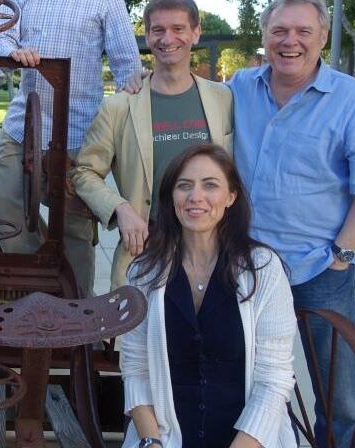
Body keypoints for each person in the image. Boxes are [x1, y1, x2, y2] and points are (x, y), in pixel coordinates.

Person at [228, 0, 355, 447]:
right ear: (264, 35)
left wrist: (341, 255)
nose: (291, 41)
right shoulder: (239, 89)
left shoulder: (349, 99)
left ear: (322, 36)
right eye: (280, 30)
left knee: (336, 399)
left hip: (320, 269)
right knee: (240, 381)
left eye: (303, 31)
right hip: (244, 266)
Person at [0, 0, 142, 297]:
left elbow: (127, 63)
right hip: (23, 128)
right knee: (8, 216)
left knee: (75, 229)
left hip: (78, 135)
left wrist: (128, 112)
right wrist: (13, 50)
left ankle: (76, 316)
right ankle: (32, 300)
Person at [121, 144, 298, 448]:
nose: (195, 197)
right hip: (164, 438)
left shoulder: (263, 270)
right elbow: (135, 368)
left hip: (250, 440)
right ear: (171, 197)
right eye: (184, 186)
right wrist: (151, 442)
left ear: (231, 197)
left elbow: (274, 381)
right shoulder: (144, 273)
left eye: (210, 185)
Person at [72, 0, 233, 291]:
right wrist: (121, 208)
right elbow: (84, 172)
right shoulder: (120, 107)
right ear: (147, 36)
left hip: (212, 248)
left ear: (196, 33)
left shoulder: (223, 99)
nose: (167, 38)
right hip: (146, 248)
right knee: (135, 337)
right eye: (157, 30)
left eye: (178, 28)